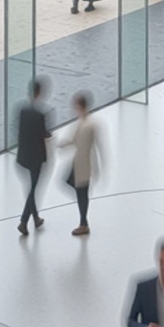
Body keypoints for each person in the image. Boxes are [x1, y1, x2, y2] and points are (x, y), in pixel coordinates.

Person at [61, 90, 102, 235]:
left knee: (81, 193)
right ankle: (83, 222)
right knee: (78, 190)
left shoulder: (89, 125)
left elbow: (96, 147)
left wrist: (97, 168)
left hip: (84, 164)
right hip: (79, 162)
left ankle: (83, 223)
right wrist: (62, 144)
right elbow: (74, 139)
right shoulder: (82, 122)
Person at [15, 77, 50, 236]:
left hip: (23, 155)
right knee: (33, 189)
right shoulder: (41, 114)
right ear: (39, 93)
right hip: (36, 157)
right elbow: (43, 134)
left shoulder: (22, 110)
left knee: (31, 188)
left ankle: (35, 218)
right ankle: (23, 221)